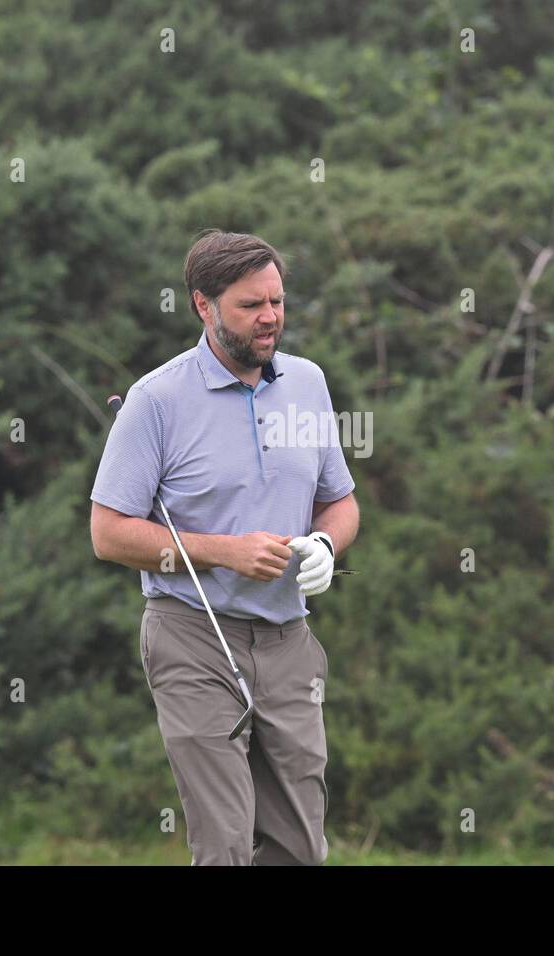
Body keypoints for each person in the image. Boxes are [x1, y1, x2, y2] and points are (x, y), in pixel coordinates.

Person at [90, 229, 360, 865]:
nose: (270, 317)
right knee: (226, 842)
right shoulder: (156, 400)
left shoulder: (308, 383)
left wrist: (327, 543)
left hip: (289, 639)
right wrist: (223, 551)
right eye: (250, 305)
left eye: (277, 301)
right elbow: (109, 532)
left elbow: (341, 501)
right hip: (193, 636)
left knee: (301, 849)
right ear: (203, 306)